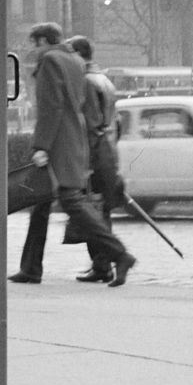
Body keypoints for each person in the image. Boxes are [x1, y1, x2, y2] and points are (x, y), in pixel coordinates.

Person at [10, 23, 135, 288]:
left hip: (59, 141)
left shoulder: (50, 61)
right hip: (73, 137)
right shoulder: (74, 60)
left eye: (34, 43)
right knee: (41, 204)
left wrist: (41, 145)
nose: (33, 49)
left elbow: (51, 107)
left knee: (69, 200)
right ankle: (30, 268)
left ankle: (120, 254)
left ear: (43, 40)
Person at [68, 35, 125, 283]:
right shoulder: (104, 79)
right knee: (100, 210)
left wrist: (85, 161)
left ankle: (103, 264)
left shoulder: (87, 82)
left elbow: (90, 123)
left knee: (93, 211)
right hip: (108, 150)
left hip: (95, 153)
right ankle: (102, 264)